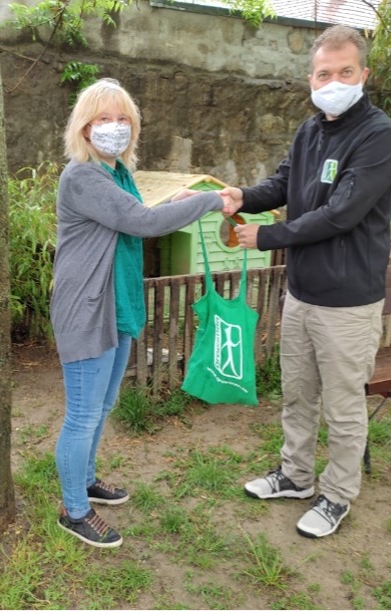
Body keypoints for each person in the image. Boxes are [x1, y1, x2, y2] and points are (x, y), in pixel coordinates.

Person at [220, 25, 391, 538]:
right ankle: (296, 475)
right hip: (301, 293)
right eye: (324, 74)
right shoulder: (310, 130)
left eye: (345, 72)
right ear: (311, 79)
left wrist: (267, 236)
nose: (334, 82)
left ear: (364, 74)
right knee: (298, 394)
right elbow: (284, 183)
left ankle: (337, 495)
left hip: (348, 302)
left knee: (343, 408)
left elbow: (340, 214)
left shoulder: (379, 136)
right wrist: (242, 196)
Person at [51, 78, 234, 548]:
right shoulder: (83, 176)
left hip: (115, 304)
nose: (114, 126)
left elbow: (133, 212)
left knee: (102, 406)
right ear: (84, 127)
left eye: (123, 119)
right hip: (87, 308)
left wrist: (176, 202)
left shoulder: (117, 174)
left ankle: (85, 481)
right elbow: (142, 222)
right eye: (103, 118)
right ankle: (74, 510)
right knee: (82, 415)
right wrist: (211, 200)